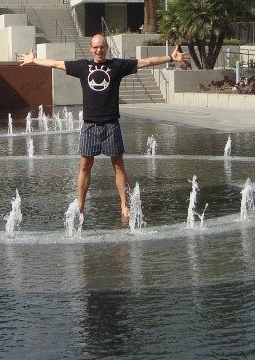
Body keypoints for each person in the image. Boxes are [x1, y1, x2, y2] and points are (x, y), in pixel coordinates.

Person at [19, 34, 188, 222]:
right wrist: (33, 59)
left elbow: (146, 61)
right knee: (85, 165)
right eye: (95, 47)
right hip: (90, 125)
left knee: (118, 165)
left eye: (102, 47)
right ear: (91, 49)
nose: (99, 50)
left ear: (106, 48)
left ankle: (124, 205)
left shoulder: (116, 66)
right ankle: (81, 205)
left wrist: (171, 58)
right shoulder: (83, 67)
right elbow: (56, 64)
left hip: (111, 124)